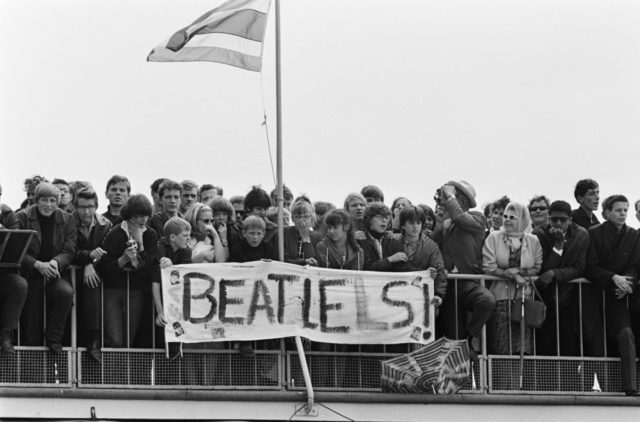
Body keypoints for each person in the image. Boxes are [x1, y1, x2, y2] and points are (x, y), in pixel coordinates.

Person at [585, 195, 640, 396]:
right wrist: (613, 277)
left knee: (626, 334)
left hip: (619, 296)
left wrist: (627, 283)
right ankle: (590, 387)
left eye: (625, 210)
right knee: (593, 341)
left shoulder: (632, 235)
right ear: (607, 212)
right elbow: (590, 267)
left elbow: (635, 266)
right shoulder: (595, 233)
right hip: (594, 296)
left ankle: (630, 386)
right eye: (618, 210)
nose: (623, 213)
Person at [431, 180, 495, 353]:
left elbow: (460, 218)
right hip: (447, 285)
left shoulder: (478, 218)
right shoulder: (444, 221)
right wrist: (440, 224)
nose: (447, 199)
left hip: (467, 281)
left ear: (465, 201)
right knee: (453, 338)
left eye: (454, 195)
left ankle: (470, 336)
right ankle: (462, 354)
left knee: (486, 300)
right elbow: (431, 245)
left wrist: (450, 197)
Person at [16, 183, 76, 353]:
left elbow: (69, 249)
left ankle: (53, 337)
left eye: (52, 200)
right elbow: (17, 249)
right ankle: (32, 372)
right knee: (32, 323)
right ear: (37, 200)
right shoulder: (22, 217)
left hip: (54, 271)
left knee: (66, 293)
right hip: (30, 274)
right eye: (44, 200)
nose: (48, 204)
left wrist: (55, 262)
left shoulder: (67, 218)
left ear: (58, 202)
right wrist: (36, 264)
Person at [97, 194, 158, 348]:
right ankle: (112, 371)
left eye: (146, 215)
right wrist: (123, 259)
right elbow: (104, 266)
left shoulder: (150, 234)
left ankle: (125, 372)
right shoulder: (115, 233)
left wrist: (141, 243)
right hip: (113, 290)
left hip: (136, 290)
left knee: (128, 340)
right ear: (130, 215)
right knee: (115, 339)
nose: (143, 220)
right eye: (138, 216)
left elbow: (150, 265)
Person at [483, 202, 542, 355]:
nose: (507, 220)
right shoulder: (494, 237)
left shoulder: (533, 240)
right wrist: (512, 275)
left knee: (522, 349)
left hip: (524, 299)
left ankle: (519, 380)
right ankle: (501, 379)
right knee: (501, 347)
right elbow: (488, 266)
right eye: (505, 216)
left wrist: (521, 271)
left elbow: (537, 267)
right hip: (500, 299)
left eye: (513, 217)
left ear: (522, 220)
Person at [532, 200, 589, 356]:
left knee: (569, 348)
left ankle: (568, 381)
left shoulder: (581, 235)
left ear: (570, 219)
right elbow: (543, 270)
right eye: (554, 219)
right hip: (544, 299)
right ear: (549, 218)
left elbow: (579, 269)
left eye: (562, 220)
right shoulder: (539, 234)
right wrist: (558, 246)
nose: (558, 223)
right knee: (545, 348)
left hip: (569, 301)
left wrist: (555, 274)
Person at [366, 206, 446, 306]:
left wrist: (439, 295)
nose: (415, 226)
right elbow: (378, 268)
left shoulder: (431, 246)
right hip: (393, 294)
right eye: (411, 223)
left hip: (420, 297)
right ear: (403, 225)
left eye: (418, 223)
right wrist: (390, 260)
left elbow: (440, 271)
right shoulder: (391, 241)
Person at [71, 188, 112, 363]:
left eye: (90, 206)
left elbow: (107, 252)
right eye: (82, 207)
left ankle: (94, 340)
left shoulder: (106, 224)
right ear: (75, 207)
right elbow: (67, 250)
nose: (86, 211)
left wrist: (91, 264)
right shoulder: (68, 221)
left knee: (92, 284)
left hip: (94, 274)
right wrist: (87, 259)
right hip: (72, 272)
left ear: (96, 205)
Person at [152, 217, 192, 352]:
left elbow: (183, 277)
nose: (189, 239)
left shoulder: (186, 250)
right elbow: (155, 282)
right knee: (159, 342)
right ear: (173, 237)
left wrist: (172, 267)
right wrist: (160, 312)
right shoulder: (160, 248)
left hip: (176, 302)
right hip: (157, 300)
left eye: (189, 235)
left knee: (177, 340)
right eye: (185, 235)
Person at [279, 198, 322, 265]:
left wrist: (305, 238)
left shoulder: (317, 237)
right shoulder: (285, 232)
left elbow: (313, 261)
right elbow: (284, 260)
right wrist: (304, 261)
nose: (302, 220)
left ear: (311, 218)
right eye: (298, 217)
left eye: (306, 216)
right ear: (292, 219)